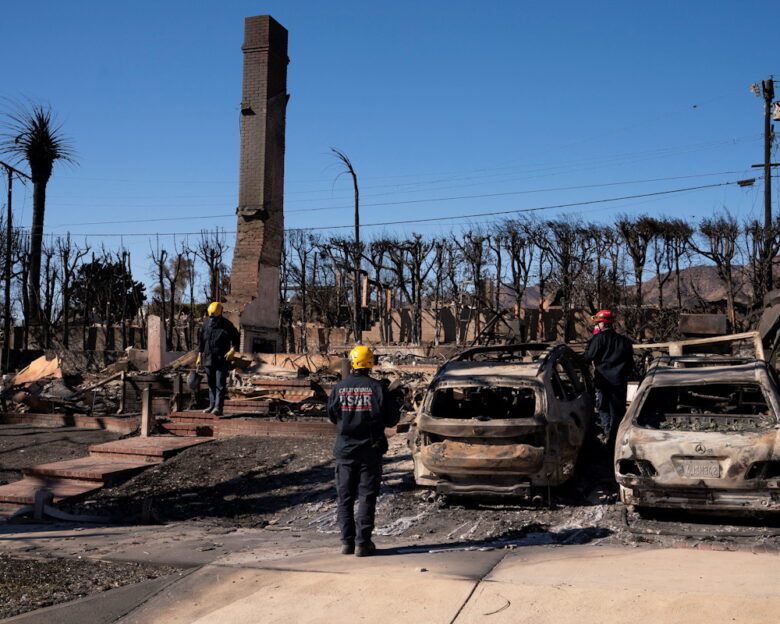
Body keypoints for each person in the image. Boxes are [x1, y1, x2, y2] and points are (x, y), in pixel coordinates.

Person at [327, 345, 400, 557]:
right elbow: (392, 419)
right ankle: (363, 542)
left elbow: (332, 417)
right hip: (371, 451)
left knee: (345, 497)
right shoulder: (377, 388)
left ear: (351, 362)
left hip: (345, 451)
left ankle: (346, 542)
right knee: (367, 496)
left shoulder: (339, 388)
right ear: (370, 363)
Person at [583, 309, 634, 449]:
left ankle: (607, 434)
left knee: (603, 407)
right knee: (617, 411)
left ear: (601, 323)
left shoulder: (598, 339)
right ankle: (616, 439)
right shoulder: (625, 341)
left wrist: (594, 338)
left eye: (597, 323)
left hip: (603, 381)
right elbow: (631, 364)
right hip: (619, 382)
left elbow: (588, 357)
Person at [196, 301, 239, 416]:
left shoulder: (227, 325)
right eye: (211, 318)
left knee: (220, 384)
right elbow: (201, 341)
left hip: (221, 359)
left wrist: (233, 350)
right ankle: (211, 405)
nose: (212, 320)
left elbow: (236, 338)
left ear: (220, 314)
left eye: (214, 318)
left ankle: (218, 407)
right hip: (208, 358)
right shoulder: (205, 325)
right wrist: (199, 355)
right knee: (210, 383)